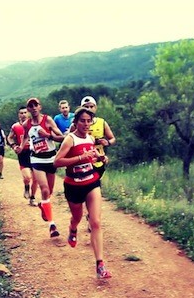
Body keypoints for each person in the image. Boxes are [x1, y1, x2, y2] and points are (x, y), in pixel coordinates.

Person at [54, 107, 112, 279]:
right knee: (77, 218)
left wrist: (100, 158)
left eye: (89, 121)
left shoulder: (91, 138)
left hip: (92, 181)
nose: (86, 124)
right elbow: (57, 162)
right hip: (73, 185)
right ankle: (72, 228)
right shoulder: (69, 140)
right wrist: (80, 158)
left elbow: (92, 156)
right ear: (76, 122)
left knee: (96, 222)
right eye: (82, 121)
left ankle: (100, 265)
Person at [19, 97, 65, 238]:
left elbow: (62, 137)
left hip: (51, 158)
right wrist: (20, 147)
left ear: (40, 107)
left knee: (49, 192)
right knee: (44, 189)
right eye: (30, 106)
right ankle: (52, 225)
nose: (33, 108)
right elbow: (25, 137)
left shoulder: (48, 120)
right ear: (28, 110)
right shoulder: (26, 124)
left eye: (35, 105)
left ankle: (43, 205)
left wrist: (47, 135)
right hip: (36, 159)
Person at [72, 96, 116, 232]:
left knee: (94, 192)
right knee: (89, 192)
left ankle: (91, 216)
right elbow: (69, 137)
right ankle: (92, 218)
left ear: (95, 108)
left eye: (91, 106)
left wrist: (107, 142)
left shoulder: (102, 122)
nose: (89, 109)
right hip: (83, 164)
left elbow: (112, 138)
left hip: (98, 163)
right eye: (86, 107)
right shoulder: (78, 123)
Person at [7, 106, 38, 206]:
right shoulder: (15, 126)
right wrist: (14, 146)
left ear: (28, 113)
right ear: (18, 115)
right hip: (23, 153)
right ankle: (26, 187)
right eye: (21, 113)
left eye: (25, 112)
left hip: (34, 152)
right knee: (28, 177)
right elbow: (9, 137)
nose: (23, 115)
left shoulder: (33, 124)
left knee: (36, 178)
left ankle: (32, 198)